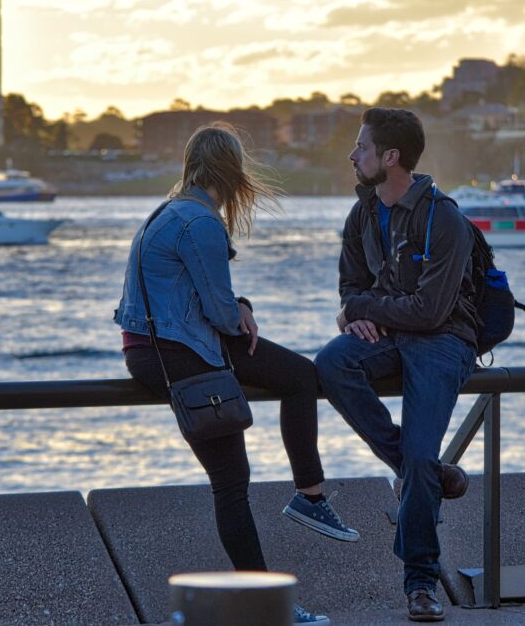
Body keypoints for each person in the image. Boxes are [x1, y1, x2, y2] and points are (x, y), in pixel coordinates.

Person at [114, 122, 357, 626]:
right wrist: (239, 310)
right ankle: (275, 594)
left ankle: (306, 503)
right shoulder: (200, 222)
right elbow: (222, 315)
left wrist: (237, 305)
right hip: (182, 351)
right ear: (232, 170)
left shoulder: (165, 212)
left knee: (295, 379)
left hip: (155, 347)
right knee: (233, 478)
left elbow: (203, 296)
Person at [314, 108, 477, 622]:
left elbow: (430, 312)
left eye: (360, 147)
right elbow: (351, 285)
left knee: (422, 453)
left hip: (443, 340)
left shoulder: (444, 218)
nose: (352, 155)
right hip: (389, 335)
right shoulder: (362, 213)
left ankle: (421, 583)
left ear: (390, 158)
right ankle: (417, 469)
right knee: (332, 362)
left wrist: (360, 309)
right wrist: (355, 312)